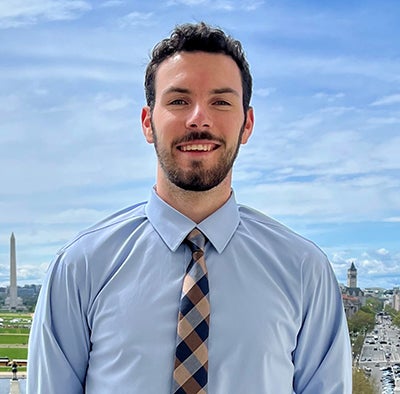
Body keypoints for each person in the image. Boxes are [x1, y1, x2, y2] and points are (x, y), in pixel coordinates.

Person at [27, 22, 352, 393]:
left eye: (221, 101)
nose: (199, 118)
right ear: (148, 123)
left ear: (247, 124)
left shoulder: (304, 271)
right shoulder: (80, 268)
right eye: (179, 100)